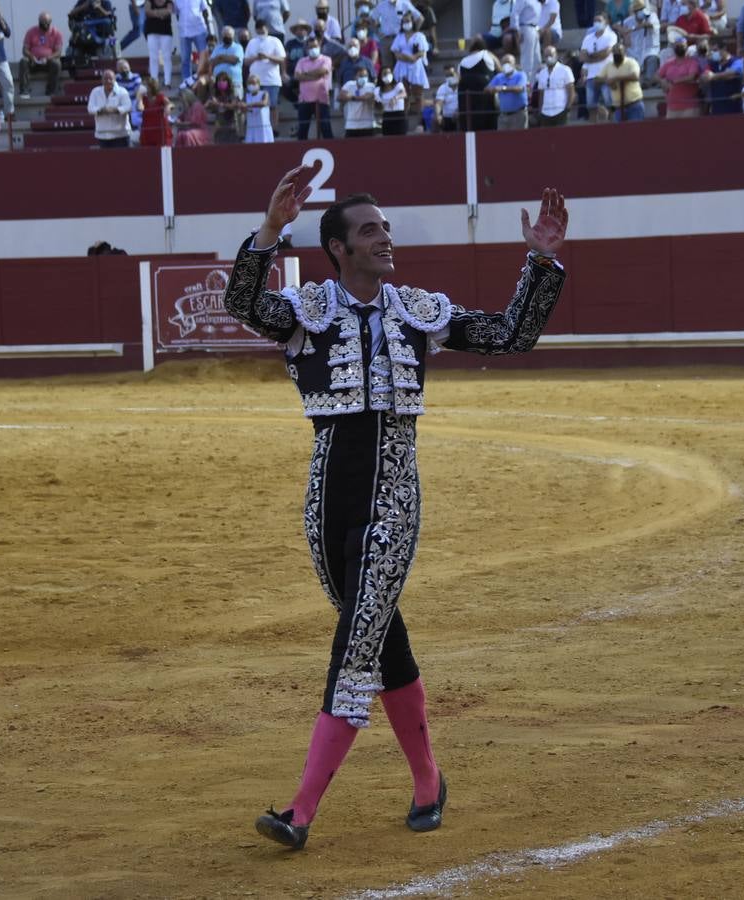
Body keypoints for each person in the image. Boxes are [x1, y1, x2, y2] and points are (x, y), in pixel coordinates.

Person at [229, 164, 568, 851]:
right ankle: (427, 781)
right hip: (326, 500)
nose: (385, 238)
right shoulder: (307, 313)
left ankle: (300, 811)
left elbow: (510, 334)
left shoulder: (418, 309)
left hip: (392, 496)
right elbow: (244, 303)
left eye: (385, 227)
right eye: (369, 230)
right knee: (382, 639)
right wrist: (269, 230)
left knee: (356, 642)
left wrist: (542, 259)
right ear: (338, 248)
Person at [246, 17, 285, 131]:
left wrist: (267, 56)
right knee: (254, 107)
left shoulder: (275, 41)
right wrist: (256, 57)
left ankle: (274, 128)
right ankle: (257, 128)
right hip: (255, 81)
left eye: (262, 31)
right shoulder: (252, 42)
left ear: (267, 29)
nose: (260, 33)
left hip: (271, 80)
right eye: (258, 31)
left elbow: (282, 59)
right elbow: (246, 61)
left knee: (272, 105)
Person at [579, 13, 617, 121]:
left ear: (605, 22)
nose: (597, 23)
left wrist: (590, 56)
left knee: (610, 105)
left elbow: (606, 53)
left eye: (599, 20)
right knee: (591, 106)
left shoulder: (611, 35)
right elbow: (582, 57)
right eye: (595, 20)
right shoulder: (588, 38)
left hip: (606, 75)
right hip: (591, 76)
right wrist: (596, 57)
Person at [294, 34, 332, 139]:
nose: (313, 49)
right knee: (302, 130)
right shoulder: (301, 61)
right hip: (304, 100)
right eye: (310, 47)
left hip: (322, 99)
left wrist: (305, 74)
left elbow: (323, 71)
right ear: (307, 48)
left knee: (326, 128)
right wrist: (315, 76)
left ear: (319, 46)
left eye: (315, 46)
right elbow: (297, 76)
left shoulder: (326, 59)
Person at [390, 13, 428, 119]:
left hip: (416, 67)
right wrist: (408, 58)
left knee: (418, 95)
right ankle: (404, 118)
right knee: (404, 94)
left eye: (408, 21)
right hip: (402, 66)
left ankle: (421, 120)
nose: (406, 23)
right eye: (404, 21)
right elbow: (396, 53)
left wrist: (413, 58)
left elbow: (421, 52)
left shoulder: (419, 36)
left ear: (413, 22)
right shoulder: (399, 36)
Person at [458, 36, 499, 130]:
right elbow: (499, 69)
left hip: (466, 95)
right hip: (484, 93)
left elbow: (459, 79)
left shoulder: (463, 61)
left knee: (469, 121)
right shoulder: (487, 54)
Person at [657, 34, 702, 117]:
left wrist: (673, 81)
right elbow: (657, 75)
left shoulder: (692, 62)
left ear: (687, 47)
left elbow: (691, 77)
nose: (680, 47)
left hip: (689, 106)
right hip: (672, 106)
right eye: (677, 46)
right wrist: (662, 81)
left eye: (682, 46)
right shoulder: (669, 63)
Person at [20, 12, 64, 98]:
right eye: (41, 22)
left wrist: (48, 58)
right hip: (33, 61)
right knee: (23, 61)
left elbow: (58, 52)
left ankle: (51, 91)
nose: (43, 24)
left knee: (57, 64)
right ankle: (24, 91)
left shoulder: (57, 33)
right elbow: (25, 50)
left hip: (47, 62)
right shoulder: (31, 31)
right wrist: (32, 56)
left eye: (45, 22)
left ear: (50, 22)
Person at [88, 66, 132, 147]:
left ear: (115, 79)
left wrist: (115, 110)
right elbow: (90, 108)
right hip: (102, 135)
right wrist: (101, 110)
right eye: (105, 79)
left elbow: (128, 107)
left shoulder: (122, 92)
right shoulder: (95, 92)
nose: (108, 81)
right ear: (102, 80)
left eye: (110, 79)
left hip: (121, 135)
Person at [600, 42, 643, 120]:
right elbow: (597, 79)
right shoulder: (608, 65)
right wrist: (608, 81)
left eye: (619, 51)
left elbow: (635, 76)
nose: (617, 53)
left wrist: (615, 78)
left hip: (634, 104)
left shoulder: (631, 62)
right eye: (615, 52)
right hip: (618, 107)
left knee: (637, 130)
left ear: (624, 51)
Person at [700, 36, 743, 113]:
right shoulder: (712, 64)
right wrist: (723, 76)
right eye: (712, 51)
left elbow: (732, 73)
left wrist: (713, 76)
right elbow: (704, 77)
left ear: (724, 49)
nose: (713, 53)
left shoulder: (737, 61)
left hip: (734, 106)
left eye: (715, 50)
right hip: (717, 107)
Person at [487, 52, 528, 128]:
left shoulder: (521, 75)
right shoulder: (499, 77)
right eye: (504, 63)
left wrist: (503, 88)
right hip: (503, 116)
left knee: (520, 138)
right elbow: (487, 89)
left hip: (518, 115)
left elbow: (519, 88)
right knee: (502, 139)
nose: (506, 65)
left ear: (514, 64)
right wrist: (492, 90)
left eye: (508, 62)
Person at [534, 44, 573, 125]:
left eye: (551, 55)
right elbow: (541, 94)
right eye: (546, 56)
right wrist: (540, 110)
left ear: (556, 55)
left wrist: (567, 108)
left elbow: (571, 91)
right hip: (545, 112)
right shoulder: (542, 73)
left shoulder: (565, 70)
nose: (548, 58)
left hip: (561, 110)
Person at [176, 0, 212, 82]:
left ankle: (204, 80)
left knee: (204, 57)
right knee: (185, 59)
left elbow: (205, 11)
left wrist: (210, 30)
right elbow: (177, 14)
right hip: (184, 32)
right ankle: (187, 81)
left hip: (199, 30)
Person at [339, 63, 377, 136]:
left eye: (365, 76)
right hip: (351, 125)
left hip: (367, 125)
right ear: (355, 76)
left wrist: (351, 97)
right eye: (361, 76)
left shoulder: (371, 86)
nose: (363, 78)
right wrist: (358, 97)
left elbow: (368, 97)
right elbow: (340, 96)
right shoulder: (349, 84)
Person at [144, 0, 175, 87]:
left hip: (166, 32)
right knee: (153, 57)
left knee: (166, 57)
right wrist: (161, 13)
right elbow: (147, 12)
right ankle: (154, 81)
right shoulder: (149, 1)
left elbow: (169, 11)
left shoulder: (169, 1)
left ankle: (167, 81)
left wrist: (155, 13)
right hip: (151, 32)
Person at [210, 25, 245, 97]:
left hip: (235, 82)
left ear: (233, 36)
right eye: (225, 35)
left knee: (235, 104)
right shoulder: (217, 48)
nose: (227, 37)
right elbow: (212, 62)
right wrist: (227, 59)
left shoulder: (238, 47)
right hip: (218, 83)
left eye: (229, 35)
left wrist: (221, 57)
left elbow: (234, 60)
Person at [138, 76, 173, 144]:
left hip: (159, 128)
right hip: (148, 129)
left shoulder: (160, 96)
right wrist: (139, 97)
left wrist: (168, 108)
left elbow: (170, 104)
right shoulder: (144, 98)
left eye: (146, 86)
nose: (144, 87)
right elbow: (140, 108)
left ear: (151, 87)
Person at [512, 0, 541, 79]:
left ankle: (531, 86)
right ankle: (525, 85)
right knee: (527, 60)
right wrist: (517, 31)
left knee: (537, 60)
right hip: (525, 28)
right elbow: (515, 13)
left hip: (535, 29)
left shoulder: (537, 1)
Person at [376, 65, 406, 133]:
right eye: (385, 74)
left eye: (389, 73)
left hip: (399, 115)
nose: (387, 75)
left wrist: (395, 98)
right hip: (387, 116)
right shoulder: (378, 90)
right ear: (381, 76)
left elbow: (404, 93)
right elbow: (378, 105)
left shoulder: (398, 85)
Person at [243, 72, 272, 140]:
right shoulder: (247, 96)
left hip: (263, 126)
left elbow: (263, 103)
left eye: (253, 83)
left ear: (258, 84)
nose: (251, 85)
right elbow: (244, 109)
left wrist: (248, 105)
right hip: (251, 126)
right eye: (249, 83)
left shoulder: (264, 93)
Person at [432, 63, 458, 130]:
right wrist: (438, 115)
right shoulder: (442, 88)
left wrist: (458, 111)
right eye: (447, 75)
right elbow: (439, 103)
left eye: (451, 74)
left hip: (460, 116)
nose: (449, 77)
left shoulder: (462, 86)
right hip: (447, 118)